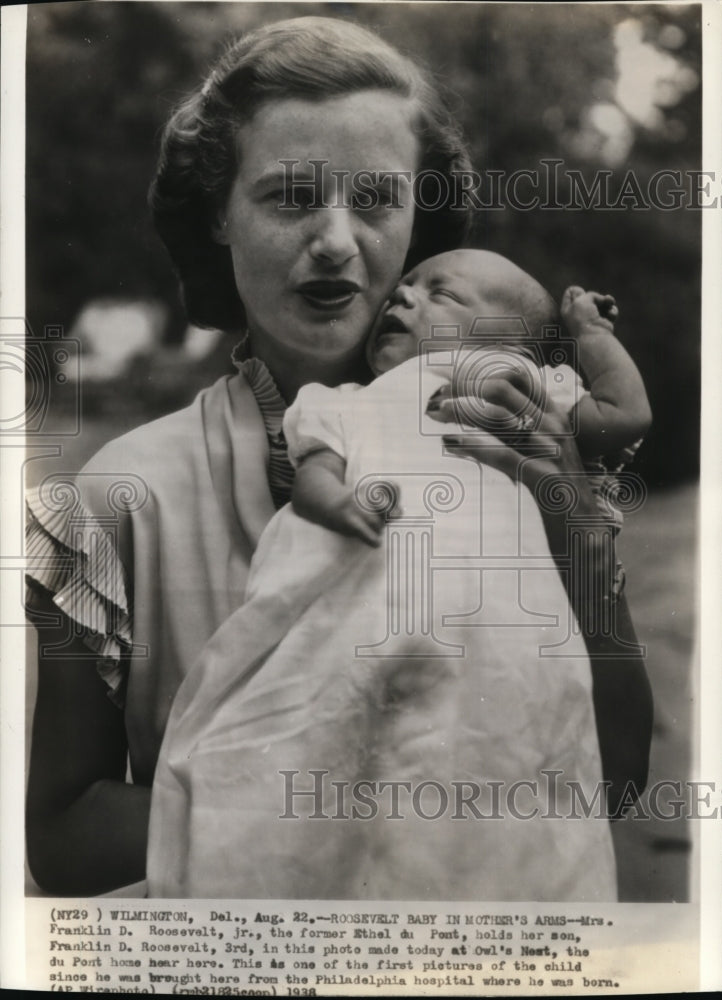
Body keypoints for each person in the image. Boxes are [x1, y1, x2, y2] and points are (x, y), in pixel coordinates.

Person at [24, 16, 651, 898]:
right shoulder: (113, 498)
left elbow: (614, 778)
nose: (335, 239)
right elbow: (60, 835)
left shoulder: (513, 442)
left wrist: (579, 525)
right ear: (217, 213)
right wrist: (345, 801)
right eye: (288, 196)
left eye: (376, 200)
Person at [147, 249, 651, 899]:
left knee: (510, 743)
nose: (402, 300)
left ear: (517, 345)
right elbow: (315, 477)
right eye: (403, 290)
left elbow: (625, 411)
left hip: (489, 626)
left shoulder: (531, 399)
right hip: (358, 605)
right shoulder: (347, 403)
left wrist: (589, 333)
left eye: (443, 294)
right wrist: (337, 503)